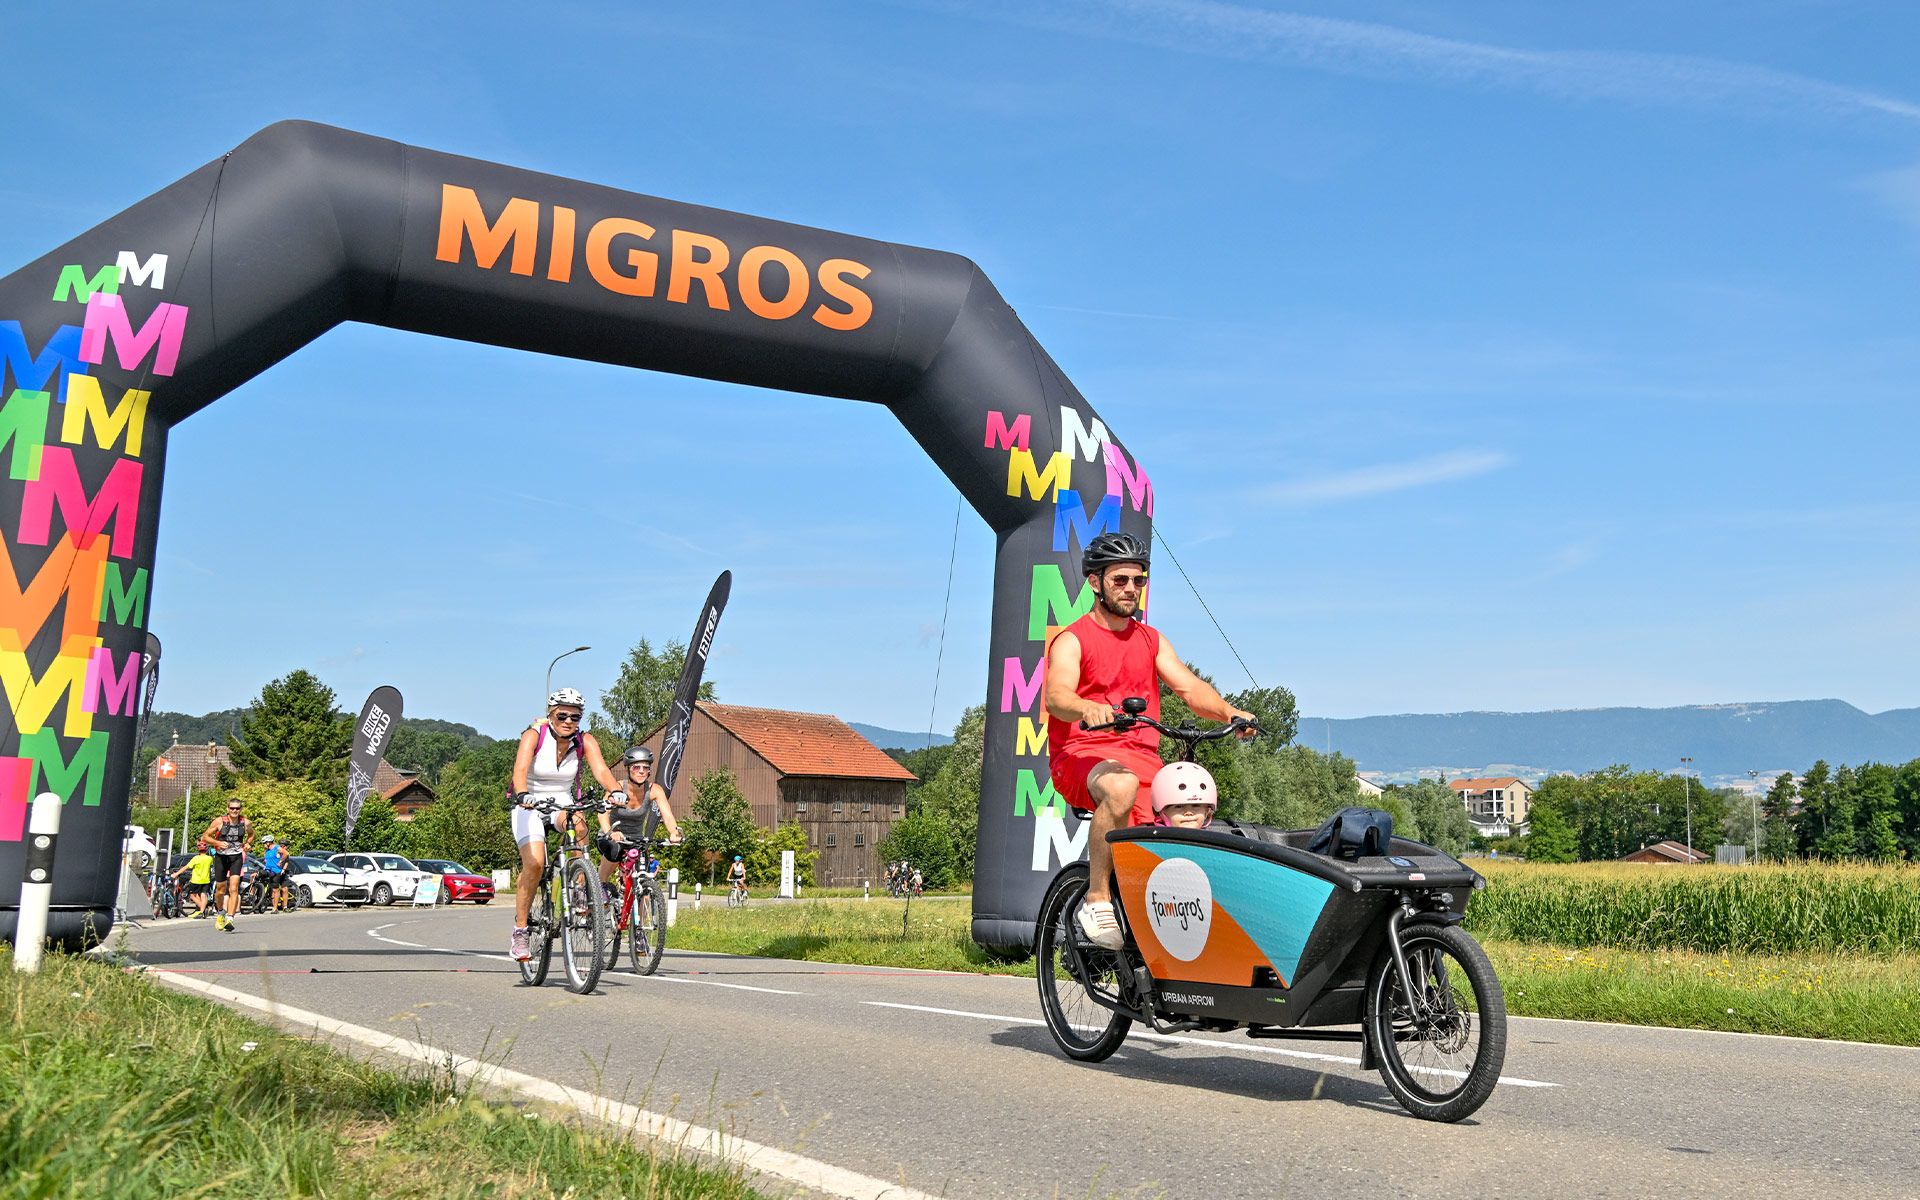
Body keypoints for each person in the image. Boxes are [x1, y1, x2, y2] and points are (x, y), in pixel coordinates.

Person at [1043, 531, 1256, 950]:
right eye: (1120, 580)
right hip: (1081, 757)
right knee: (1120, 788)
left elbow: (1191, 689)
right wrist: (1087, 708)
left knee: (1192, 805)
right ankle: (1097, 898)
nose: (1131, 589)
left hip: (1144, 761)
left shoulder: (1151, 640)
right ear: (1095, 582)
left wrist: (1230, 712)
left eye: (1138, 581)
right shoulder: (1073, 639)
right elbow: (1057, 696)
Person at [507, 688, 622, 962]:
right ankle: (520, 931)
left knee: (580, 825)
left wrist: (616, 790)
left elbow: (602, 770)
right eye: (563, 715)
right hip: (529, 802)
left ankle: (580, 888)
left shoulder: (585, 740)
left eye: (575, 716)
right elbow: (520, 772)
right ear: (551, 714)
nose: (569, 721)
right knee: (534, 864)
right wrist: (523, 795)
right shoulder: (534, 735)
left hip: (562, 800)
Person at [597, 745, 682, 891]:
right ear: (628, 768)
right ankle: (600, 887)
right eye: (637, 767)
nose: (642, 771)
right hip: (611, 837)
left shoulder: (655, 790)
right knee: (615, 851)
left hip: (636, 840)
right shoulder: (617, 787)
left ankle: (641, 906)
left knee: (643, 883)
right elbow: (603, 813)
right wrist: (610, 833)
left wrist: (674, 832)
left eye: (646, 767)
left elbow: (667, 815)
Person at [199, 798, 253, 932]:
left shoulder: (245, 822)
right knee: (220, 890)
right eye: (232, 808)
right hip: (221, 857)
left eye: (237, 808)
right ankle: (221, 913)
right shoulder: (219, 821)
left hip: (236, 857)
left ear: (241, 809)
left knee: (234, 888)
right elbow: (205, 837)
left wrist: (247, 843)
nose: (234, 811)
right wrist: (217, 843)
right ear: (227, 809)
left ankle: (230, 918)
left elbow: (251, 835)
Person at [1151, 762, 1218, 830]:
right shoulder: (1155, 838)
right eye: (1178, 806)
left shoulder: (1212, 839)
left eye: (1196, 805)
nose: (1188, 812)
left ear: (1206, 811)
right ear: (1162, 813)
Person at [174, 843, 214, 918]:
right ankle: (202, 911)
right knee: (203, 895)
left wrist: (176, 874)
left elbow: (186, 867)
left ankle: (204, 908)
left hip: (196, 880)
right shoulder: (210, 859)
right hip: (206, 880)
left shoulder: (196, 858)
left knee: (192, 895)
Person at [260, 836, 290, 913]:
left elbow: (286, 854)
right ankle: (263, 904)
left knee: (277, 889)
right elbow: (267, 861)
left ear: (268, 842)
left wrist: (280, 861)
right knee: (272, 889)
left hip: (276, 871)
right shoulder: (267, 851)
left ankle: (277, 908)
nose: (263, 844)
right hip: (269, 871)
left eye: (264, 843)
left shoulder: (277, 848)